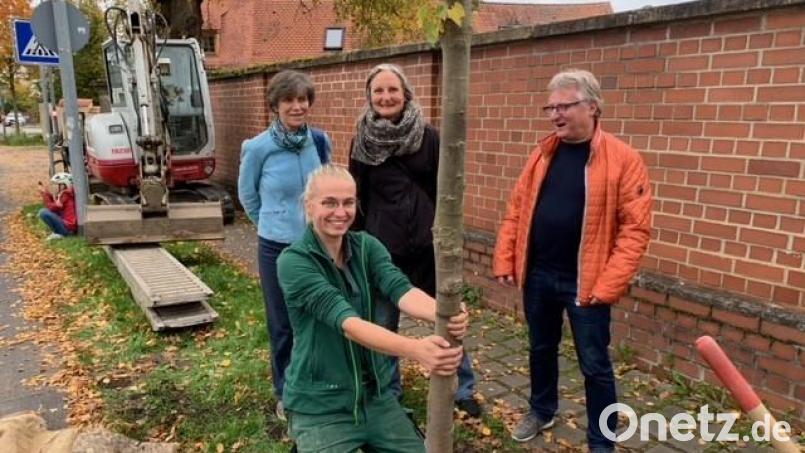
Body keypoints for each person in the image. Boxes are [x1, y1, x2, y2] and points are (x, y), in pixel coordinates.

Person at [493, 69, 652, 452]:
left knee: (595, 366)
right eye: (550, 107)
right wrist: (505, 258)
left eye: (564, 106)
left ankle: (602, 441)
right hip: (539, 274)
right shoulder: (543, 153)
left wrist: (608, 284)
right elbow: (517, 209)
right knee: (540, 348)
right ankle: (542, 409)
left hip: (588, 282)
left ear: (593, 107)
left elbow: (635, 230)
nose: (555, 115)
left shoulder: (624, 159)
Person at [277, 164, 468, 453]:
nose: (340, 212)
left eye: (348, 202)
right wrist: (416, 349)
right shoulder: (293, 262)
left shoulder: (366, 246)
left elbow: (400, 289)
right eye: (329, 202)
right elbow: (348, 323)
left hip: (374, 396)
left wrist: (442, 312)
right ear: (309, 205)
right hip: (320, 404)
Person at [348, 63, 482, 417]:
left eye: (392, 89)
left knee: (447, 318)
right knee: (382, 321)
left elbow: (445, 188)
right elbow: (358, 195)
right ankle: (389, 393)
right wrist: (357, 244)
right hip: (382, 251)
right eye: (378, 91)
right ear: (369, 96)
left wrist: (442, 234)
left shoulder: (428, 136)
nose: (386, 97)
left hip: (428, 248)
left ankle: (462, 387)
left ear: (405, 93)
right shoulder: (361, 140)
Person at [237, 69, 331, 421]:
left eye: (302, 99)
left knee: (318, 318)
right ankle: (286, 391)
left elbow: (325, 188)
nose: (297, 106)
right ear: (275, 105)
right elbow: (248, 196)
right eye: (289, 100)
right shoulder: (258, 148)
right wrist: (271, 222)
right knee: (283, 323)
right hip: (276, 248)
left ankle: (317, 382)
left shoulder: (318, 141)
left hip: (315, 246)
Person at [38, 172, 77, 241]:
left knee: (43, 212)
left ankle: (59, 233)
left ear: (65, 185)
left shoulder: (65, 195)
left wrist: (44, 194)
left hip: (68, 228)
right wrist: (46, 193)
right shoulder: (66, 194)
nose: (56, 188)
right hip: (69, 227)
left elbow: (52, 207)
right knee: (46, 211)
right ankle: (58, 232)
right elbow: (55, 204)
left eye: (58, 185)